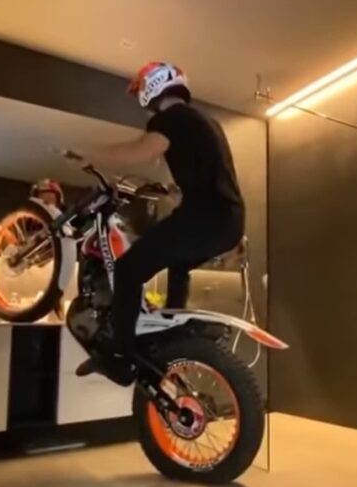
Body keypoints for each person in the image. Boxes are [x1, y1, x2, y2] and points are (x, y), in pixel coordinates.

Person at [77, 62, 245, 382]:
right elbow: (207, 172)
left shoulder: (171, 118)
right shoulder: (205, 121)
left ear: (153, 87)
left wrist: (92, 154)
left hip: (205, 218)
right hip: (229, 220)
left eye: (141, 89)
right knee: (178, 265)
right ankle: (172, 339)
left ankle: (120, 357)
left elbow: (138, 151)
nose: (141, 99)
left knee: (128, 269)